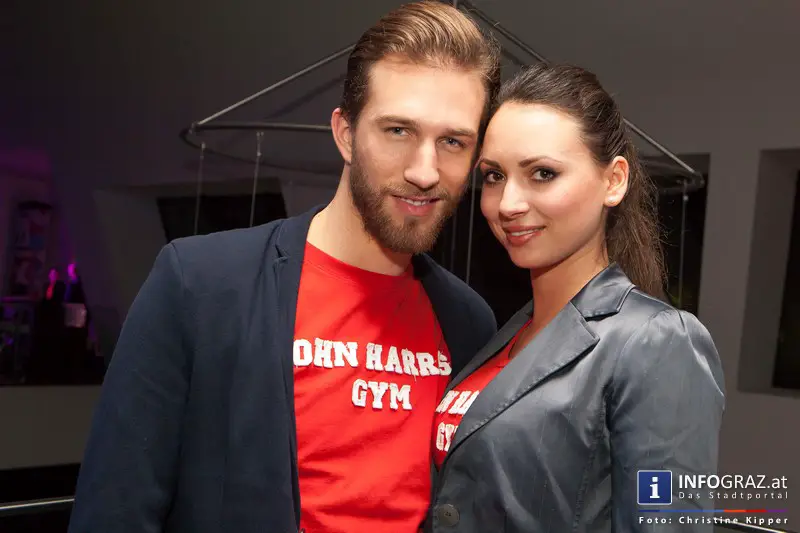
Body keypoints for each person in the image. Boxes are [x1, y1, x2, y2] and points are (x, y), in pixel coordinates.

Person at [68, 3, 500, 533]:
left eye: (453, 141)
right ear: (345, 134)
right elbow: (115, 509)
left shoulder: (468, 321)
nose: (425, 171)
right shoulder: (201, 284)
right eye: (397, 131)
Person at [426, 64, 726, 532]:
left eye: (543, 173)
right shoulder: (509, 333)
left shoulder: (657, 342)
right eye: (494, 176)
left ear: (614, 181)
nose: (507, 204)